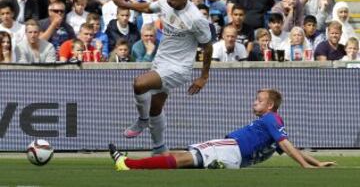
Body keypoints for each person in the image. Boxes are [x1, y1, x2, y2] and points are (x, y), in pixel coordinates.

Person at [109, 88, 336, 170]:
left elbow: (286, 146)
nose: (254, 103)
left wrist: (307, 166)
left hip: (231, 149)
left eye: (258, 100)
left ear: (269, 106)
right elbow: (288, 146)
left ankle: (127, 164)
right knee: (180, 157)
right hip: (233, 155)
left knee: (183, 159)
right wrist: (316, 162)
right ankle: (131, 162)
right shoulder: (273, 123)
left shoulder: (271, 119)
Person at [113, 0, 213, 154]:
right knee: (156, 107)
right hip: (160, 62)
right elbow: (147, 7)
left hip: (178, 68)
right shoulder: (166, 2)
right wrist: (125, 4)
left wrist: (203, 76)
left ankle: (142, 120)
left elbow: (207, 46)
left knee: (139, 84)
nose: (169, 0)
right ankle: (159, 147)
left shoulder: (196, 18)